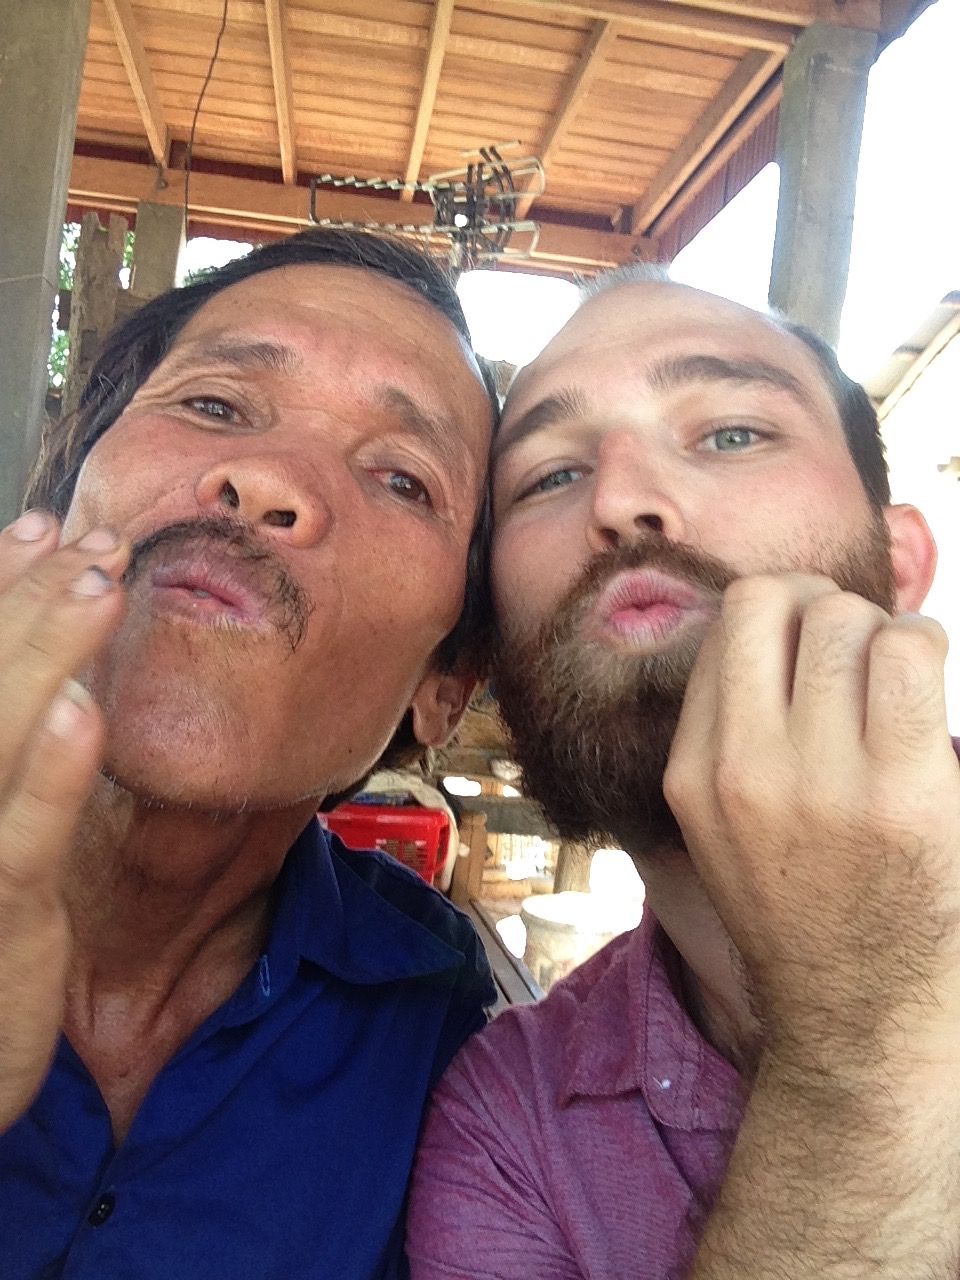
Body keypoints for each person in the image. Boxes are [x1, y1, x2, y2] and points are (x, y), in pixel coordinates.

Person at [408, 268, 960, 1279]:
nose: (620, 499)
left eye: (733, 432)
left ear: (900, 562)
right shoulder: (506, 1120)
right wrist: (857, 1048)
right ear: (493, 650)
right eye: (549, 476)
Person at [0, 227, 499, 1279]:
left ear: (442, 686)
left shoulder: (455, 1041)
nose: (266, 477)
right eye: (216, 404)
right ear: (65, 487)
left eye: (403, 477)